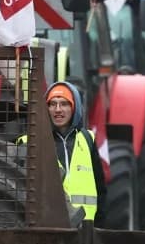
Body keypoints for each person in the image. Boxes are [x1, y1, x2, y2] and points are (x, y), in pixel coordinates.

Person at [20, 81, 107, 224]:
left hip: (86, 228)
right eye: (52, 104)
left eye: (64, 104)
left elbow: (101, 190)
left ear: (74, 108)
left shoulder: (87, 139)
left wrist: (98, 228)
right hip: (48, 227)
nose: (58, 109)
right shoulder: (30, 143)